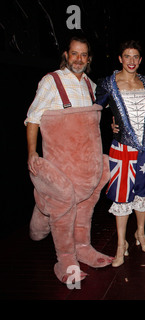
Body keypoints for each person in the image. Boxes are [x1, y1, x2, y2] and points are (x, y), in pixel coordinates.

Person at [25, 35, 113, 283]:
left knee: (84, 206)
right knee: (63, 205)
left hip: (87, 169)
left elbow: (107, 109)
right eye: (74, 53)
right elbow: (33, 118)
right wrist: (32, 152)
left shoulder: (90, 85)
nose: (79, 59)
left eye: (84, 55)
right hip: (61, 168)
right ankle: (65, 259)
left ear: (89, 59)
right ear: (66, 55)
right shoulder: (51, 82)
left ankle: (82, 247)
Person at [95, 40, 145, 267]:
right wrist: (108, 127)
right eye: (127, 56)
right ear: (120, 59)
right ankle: (121, 244)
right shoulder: (109, 83)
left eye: (135, 57)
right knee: (122, 196)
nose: (131, 61)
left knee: (143, 192)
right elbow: (95, 109)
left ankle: (140, 234)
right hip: (121, 148)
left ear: (140, 60)